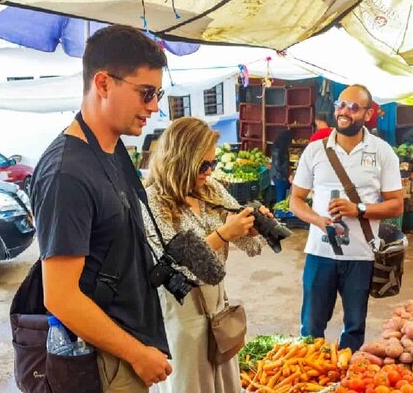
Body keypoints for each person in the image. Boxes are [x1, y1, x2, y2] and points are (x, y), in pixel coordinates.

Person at [31, 25, 172, 392]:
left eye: (157, 93)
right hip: (99, 363)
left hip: (122, 351)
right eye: (145, 93)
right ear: (104, 83)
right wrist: (137, 354)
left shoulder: (111, 149)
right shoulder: (67, 173)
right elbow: (60, 297)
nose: (154, 106)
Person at [143, 117, 269, 393]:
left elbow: (250, 247)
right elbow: (172, 264)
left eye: (212, 164)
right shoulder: (152, 201)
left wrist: (253, 228)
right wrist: (225, 233)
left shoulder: (210, 189)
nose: (209, 172)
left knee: (224, 379)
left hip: (217, 300)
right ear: (179, 159)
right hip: (181, 304)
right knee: (189, 382)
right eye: (203, 165)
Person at [289, 84, 404, 351]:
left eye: (354, 108)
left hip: (361, 255)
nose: (344, 112)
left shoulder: (382, 151)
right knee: (311, 326)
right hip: (320, 253)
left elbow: (396, 205)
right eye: (341, 104)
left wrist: (359, 209)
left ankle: (347, 377)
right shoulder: (315, 150)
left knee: (354, 327)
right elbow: (296, 199)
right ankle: (311, 376)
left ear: (368, 114)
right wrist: (318, 220)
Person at [270, 128, 292, 203]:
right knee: (281, 198)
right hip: (279, 176)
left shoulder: (278, 148)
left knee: (281, 196)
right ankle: (278, 213)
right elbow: (279, 165)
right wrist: (287, 175)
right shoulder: (279, 150)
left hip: (278, 176)